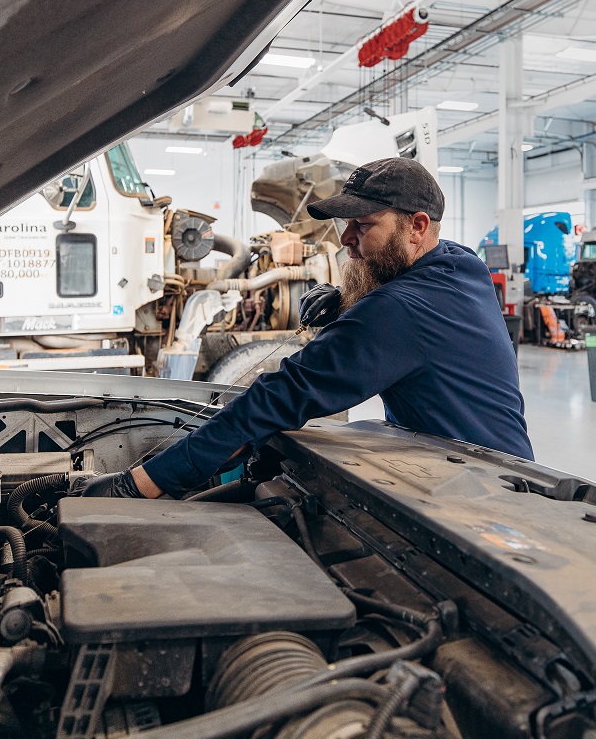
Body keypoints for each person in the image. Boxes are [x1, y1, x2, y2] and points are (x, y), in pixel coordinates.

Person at [83, 157, 532, 499]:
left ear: (416, 227)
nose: (346, 238)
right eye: (344, 222)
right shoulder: (460, 264)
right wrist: (342, 301)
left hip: (480, 496)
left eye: (363, 224)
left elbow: (278, 398)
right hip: (500, 471)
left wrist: (141, 482)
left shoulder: (398, 311)